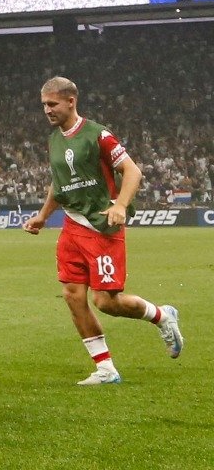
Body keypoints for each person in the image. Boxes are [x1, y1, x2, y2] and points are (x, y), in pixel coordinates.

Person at [23, 76, 184, 385]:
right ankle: (106, 369)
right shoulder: (54, 139)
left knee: (107, 301)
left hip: (101, 226)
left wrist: (121, 205)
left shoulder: (98, 135)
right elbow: (60, 183)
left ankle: (162, 315)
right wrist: (43, 216)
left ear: (71, 101)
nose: (47, 110)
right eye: (44, 104)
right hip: (71, 226)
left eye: (52, 104)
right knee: (72, 296)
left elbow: (133, 170)